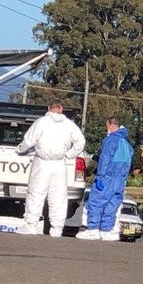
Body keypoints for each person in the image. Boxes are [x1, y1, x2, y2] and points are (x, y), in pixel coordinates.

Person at [15, 101, 85, 237]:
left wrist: (19, 150)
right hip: (59, 163)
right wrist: (69, 155)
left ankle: (31, 225)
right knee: (58, 196)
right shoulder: (69, 125)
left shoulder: (41, 122)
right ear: (62, 109)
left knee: (35, 193)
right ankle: (57, 228)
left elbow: (29, 141)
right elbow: (81, 142)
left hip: (41, 162)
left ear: (48, 108)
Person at [76, 117, 134, 241]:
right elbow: (129, 162)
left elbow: (104, 160)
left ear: (109, 125)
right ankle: (106, 231)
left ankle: (92, 229)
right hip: (120, 180)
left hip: (107, 177)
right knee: (112, 205)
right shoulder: (126, 143)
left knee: (96, 203)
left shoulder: (110, 141)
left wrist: (100, 176)